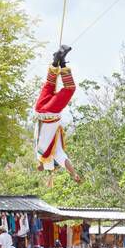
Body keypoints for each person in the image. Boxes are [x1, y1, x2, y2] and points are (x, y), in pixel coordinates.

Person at [34, 45, 83, 184]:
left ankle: (60, 60)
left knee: (70, 89)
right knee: (50, 83)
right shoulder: (39, 151)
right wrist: (42, 166)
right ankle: (58, 60)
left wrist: (74, 174)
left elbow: (64, 161)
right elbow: (40, 165)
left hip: (50, 113)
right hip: (39, 110)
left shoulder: (54, 153)